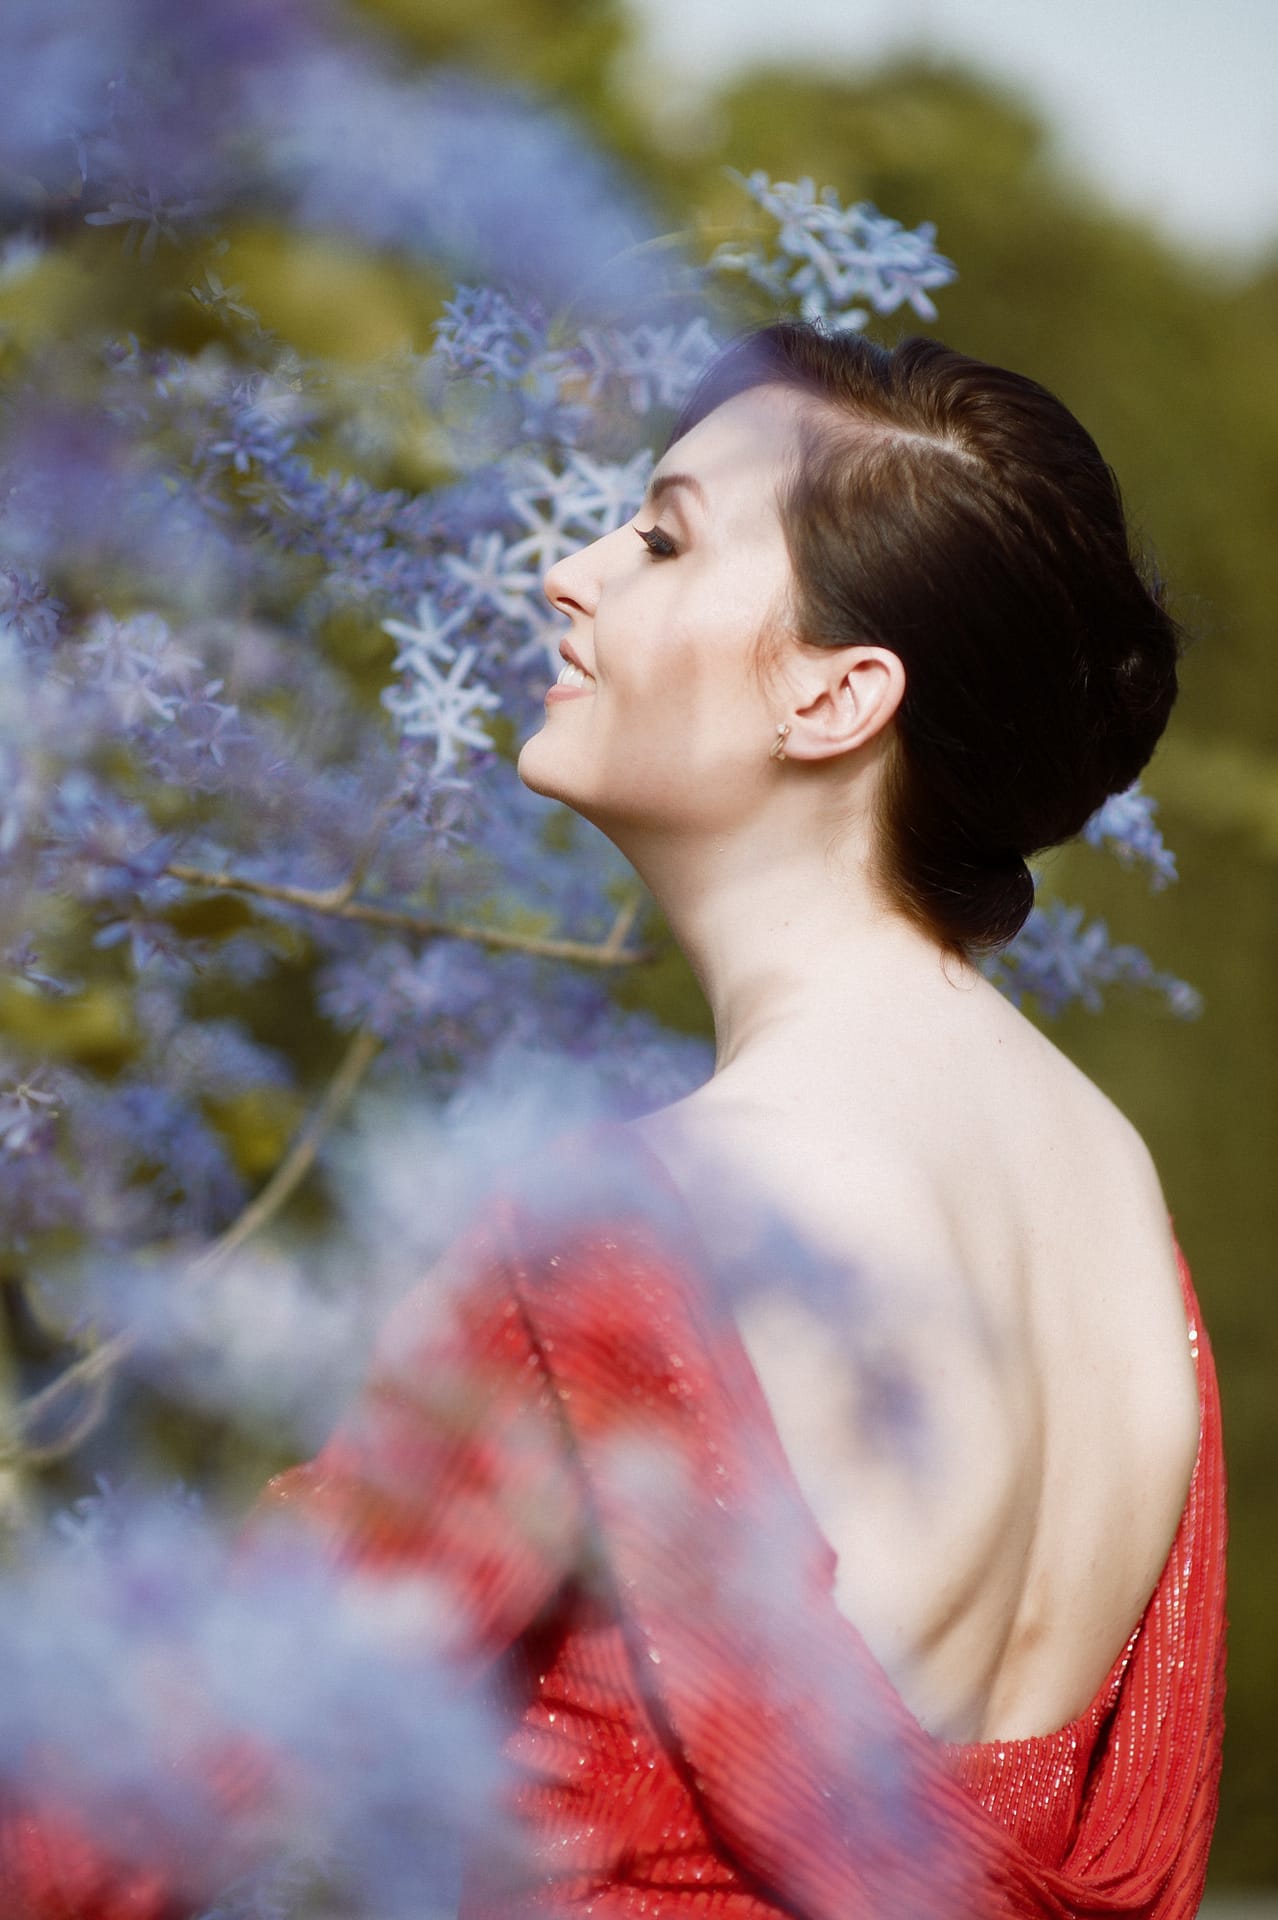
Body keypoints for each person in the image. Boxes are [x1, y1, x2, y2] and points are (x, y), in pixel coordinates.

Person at [3, 325, 1226, 1918]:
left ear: (836, 694)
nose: (572, 572)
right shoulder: (1110, 1198)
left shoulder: (648, 1221)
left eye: (659, 539)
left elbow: (162, 1804)